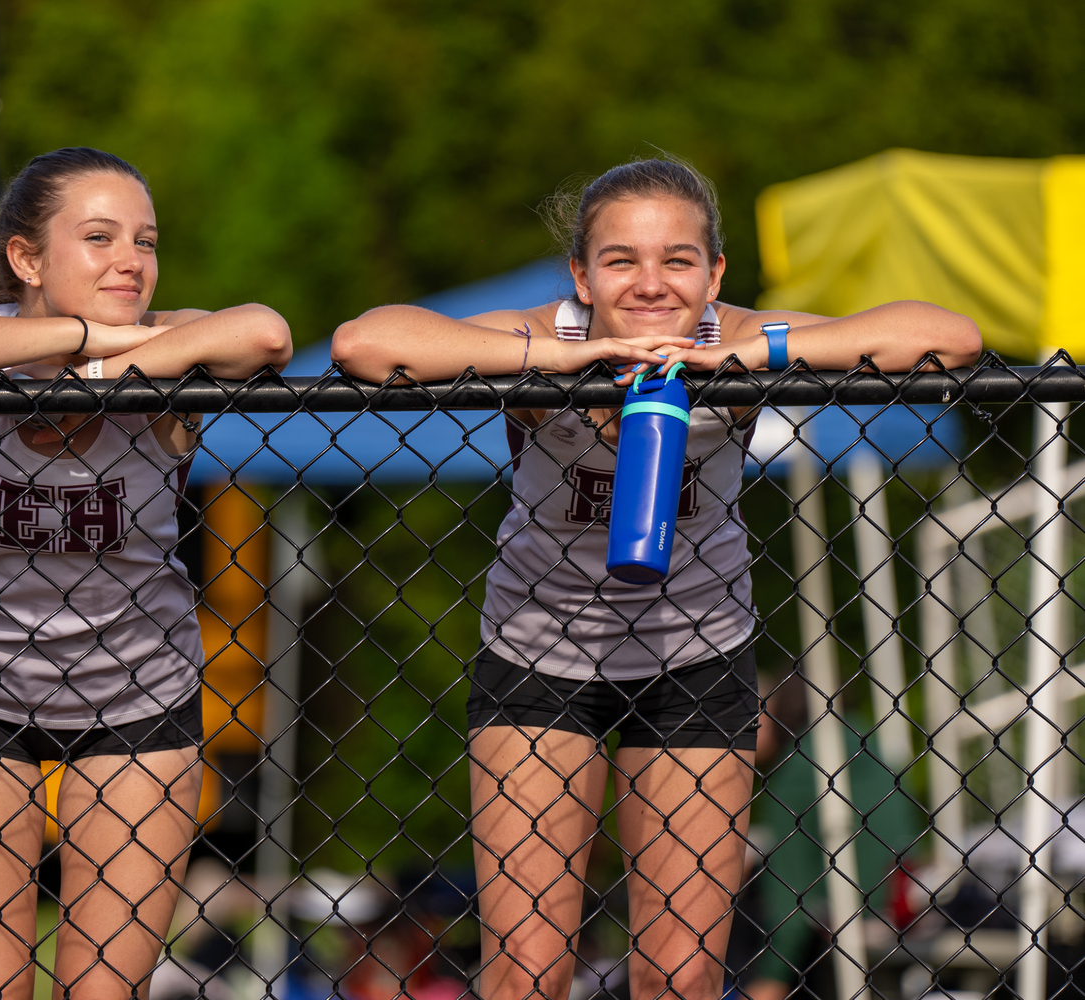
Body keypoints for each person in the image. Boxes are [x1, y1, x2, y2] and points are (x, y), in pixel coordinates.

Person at [330, 157, 980, 1000]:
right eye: (620, 260)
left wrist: (760, 352)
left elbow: (949, 337)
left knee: (681, 974)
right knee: (528, 971)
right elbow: (364, 342)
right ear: (581, 273)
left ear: (713, 272)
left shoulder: (739, 338)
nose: (649, 284)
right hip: (538, 662)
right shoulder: (547, 336)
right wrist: (563, 359)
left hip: (694, 661)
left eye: (678, 260)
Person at [0, 147, 291, 1000]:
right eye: (99, 237)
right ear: (26, 258)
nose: (131, 259)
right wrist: (80, 341)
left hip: (138, 706)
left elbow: (265, 332)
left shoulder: (166, 347)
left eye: (146, 240)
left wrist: (105, 372)